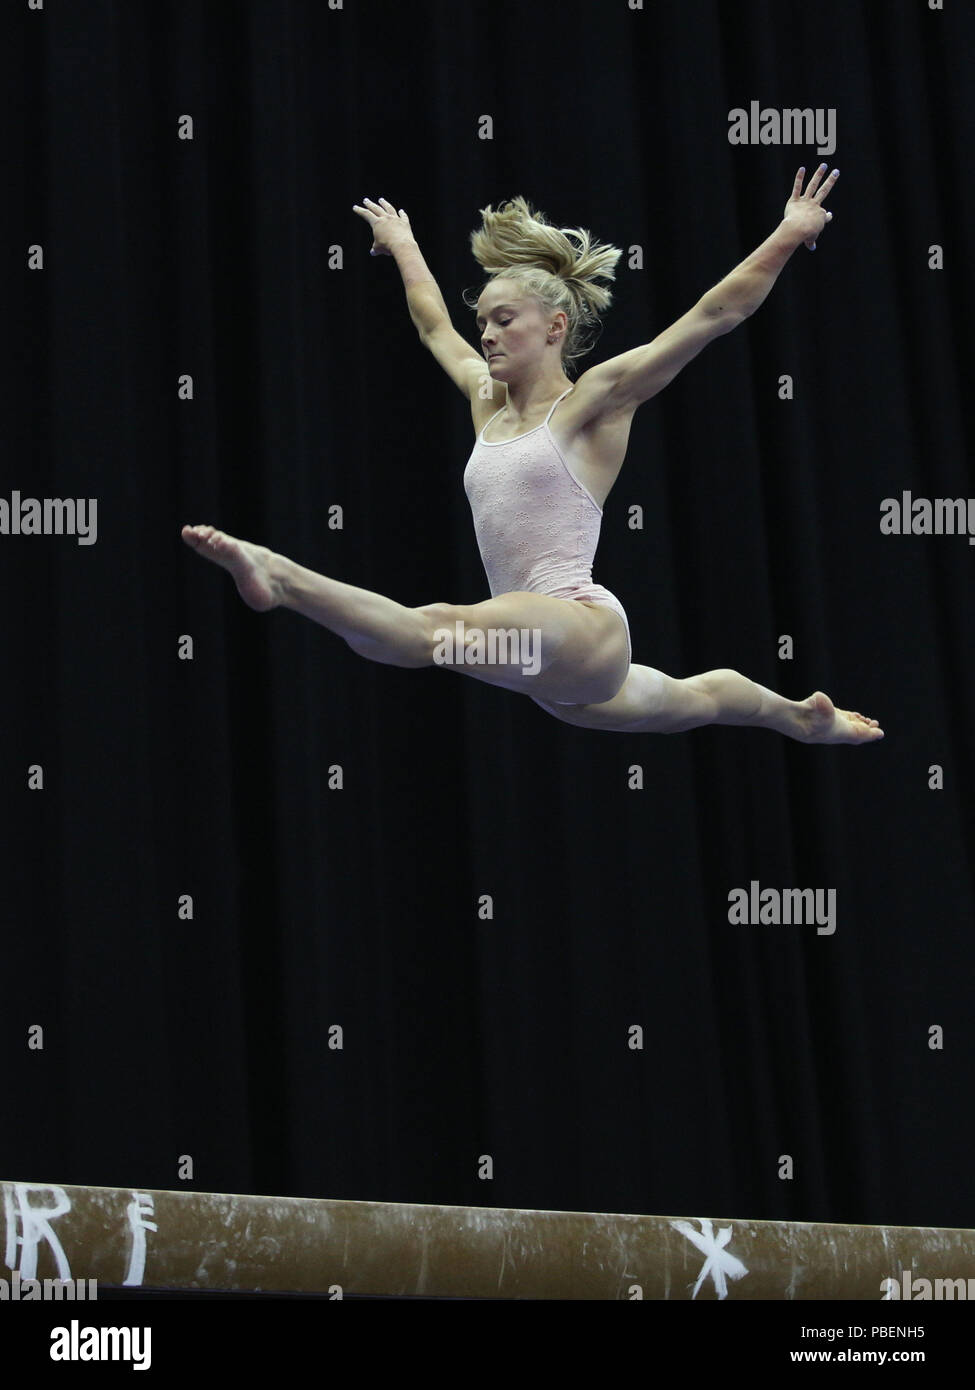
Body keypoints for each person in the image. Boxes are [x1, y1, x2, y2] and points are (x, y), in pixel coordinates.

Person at [182, 170, 882, 743]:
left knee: (429, 632)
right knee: (690, 699)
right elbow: (431, 323)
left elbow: (712, 315)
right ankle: (801, 720)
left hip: (579, 627)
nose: (484, 334)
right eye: (482, 319)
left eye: (502, 320)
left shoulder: (593, 405)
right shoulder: (486, 402)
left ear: (555, 327)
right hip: (550, 676)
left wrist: (790, 233)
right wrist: (400, 242)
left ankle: (280, 578)